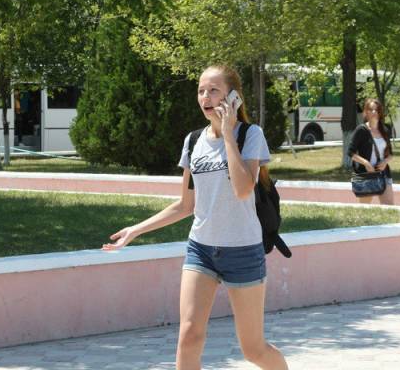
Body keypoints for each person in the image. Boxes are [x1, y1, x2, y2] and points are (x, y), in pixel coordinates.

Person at [103, 65, 289, 370]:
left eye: (214, 90)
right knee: (189, 336)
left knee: (253, 349)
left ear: (233, 97)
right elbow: (185, 205)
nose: (205, 97)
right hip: (201, 249)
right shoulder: (193, 141)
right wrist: (135, 230)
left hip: (243, 250)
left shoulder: (250, 135)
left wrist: (227, 134)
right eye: (201, 90)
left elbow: (243, 189)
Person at [348, 98, 395, 205]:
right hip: (366, 175)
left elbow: (390, 154)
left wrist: (385, 162)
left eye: (377, 109)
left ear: (380, 112)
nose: (374, 112)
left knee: (389, 206)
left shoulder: (385, 129)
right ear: (366, 112)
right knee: (365, 208)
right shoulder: (361, 130)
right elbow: (351, 152)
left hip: (383, 174)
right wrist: (366, 163)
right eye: (371, 109)